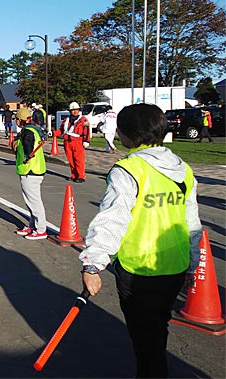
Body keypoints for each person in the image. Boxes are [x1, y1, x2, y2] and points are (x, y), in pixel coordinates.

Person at [79, 103, 202, 378]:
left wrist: (93, 265)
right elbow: (192, 222)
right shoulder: (183, 168)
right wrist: (193, 264)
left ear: (127, 134)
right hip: (176, 264)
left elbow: (112, 219)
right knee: (157, 327)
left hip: (139, 270)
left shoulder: (128, 170)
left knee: (146, 341)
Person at [12, 108, 48, 240]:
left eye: (17, 119)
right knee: (30, 201)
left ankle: (41, 229)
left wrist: (27, 154)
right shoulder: (34, 130)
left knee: (34, 201)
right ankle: (32, 226)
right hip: (33, 169)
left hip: (30, 170)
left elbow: (28, 145)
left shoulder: (28, 131)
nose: (17, 122)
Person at [55, 101, 90, 182]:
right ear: (70, 111)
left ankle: (81, 176)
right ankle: (74, 175)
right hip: (67, 142)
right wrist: (53, 133)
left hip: (77, 142)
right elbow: (61, 131)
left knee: (79, 160)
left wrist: (86, 141)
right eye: (73, 110)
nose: (75, 111)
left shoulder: (83, 120)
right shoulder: (66, 120)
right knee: (71, 160)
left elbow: (87, 131)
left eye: (76, 110)